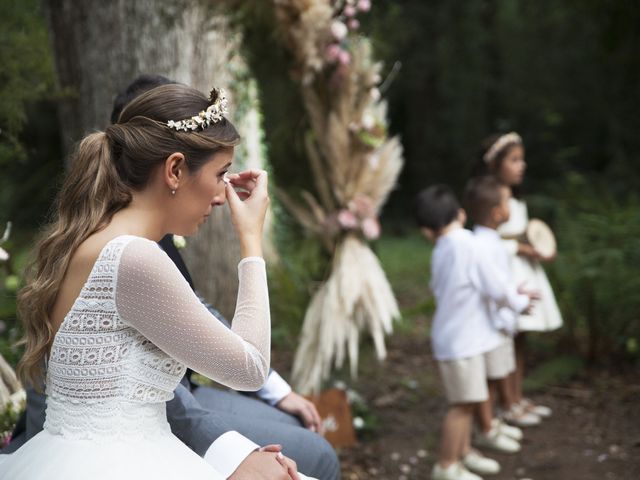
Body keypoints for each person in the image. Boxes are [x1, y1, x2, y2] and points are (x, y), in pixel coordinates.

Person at [3, 74, 340, 480]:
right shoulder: (134, 257)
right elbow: (250, 368)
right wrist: (251, 240)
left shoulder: (96, 237)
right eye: (221, 174)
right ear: (175, 170)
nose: (222, 197)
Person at [415, 185, 535, 480]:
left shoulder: (443, 248)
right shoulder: (467, 243)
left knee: (467, 403)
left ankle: (463, 452)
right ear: (461, 214)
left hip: (458, 338)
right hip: (462, 343)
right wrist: (519, 302)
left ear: (426, 230)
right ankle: (445, 465)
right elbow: (494, 286)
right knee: (462, 406)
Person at [473, 132, 561, 424]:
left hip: (524, 271)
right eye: (514, 160)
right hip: (505, 275)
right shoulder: (490, 197)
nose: (521, 165)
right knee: (505, 341)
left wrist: (538, 248)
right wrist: (520, 247)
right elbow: (488, 240)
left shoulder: (516, 198)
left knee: (520, 341)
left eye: (522, 159)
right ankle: (505, 402)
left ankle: (518, 397)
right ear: (496, 164)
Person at [463, 177, 538, 451]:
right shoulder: (482, 244)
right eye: (507, 203)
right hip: (489, 325)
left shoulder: (489, 240)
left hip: (497, 322)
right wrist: (518, 301)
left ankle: (491, 422)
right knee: (488, 380)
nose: (510, 207)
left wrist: (513, 292)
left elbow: (498, 282)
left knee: (495, 377)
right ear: (497, 213)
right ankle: (486, 427)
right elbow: (494, 288)